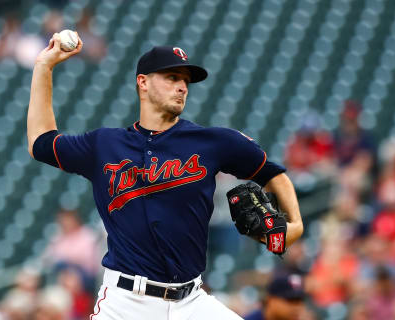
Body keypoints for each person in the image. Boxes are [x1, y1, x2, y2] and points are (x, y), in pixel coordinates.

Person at [27, 33, 303, 319]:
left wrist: (296, 224)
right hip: (126, 303)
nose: (182, 87)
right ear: (143, 82)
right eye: (172, 77)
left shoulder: (213, 142)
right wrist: (43, 67)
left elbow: (274, 175)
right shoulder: (104, 145)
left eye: (186, 81)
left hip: (191, 301)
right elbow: (40, 142)